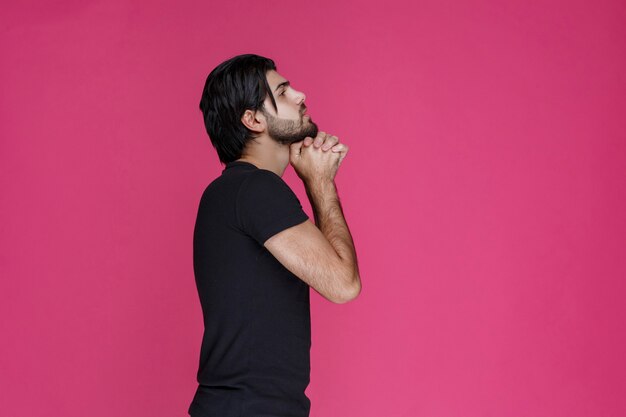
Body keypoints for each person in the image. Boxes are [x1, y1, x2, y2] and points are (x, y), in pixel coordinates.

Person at [189, 53, 361, 417]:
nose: (300, 95)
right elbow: (343, 284)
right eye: (282, 92)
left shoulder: (235, 192)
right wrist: (320, 182)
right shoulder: (254, 189)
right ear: (252, 119)